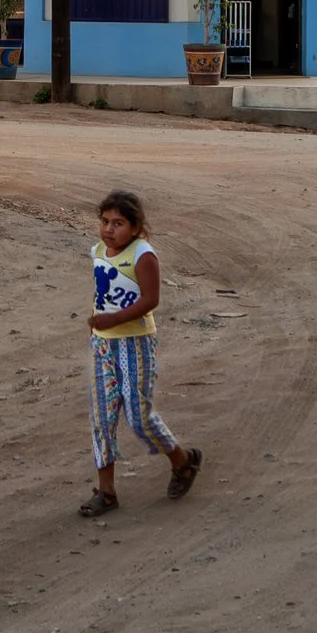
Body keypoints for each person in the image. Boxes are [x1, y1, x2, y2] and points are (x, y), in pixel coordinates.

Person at [79, 190, 200, 517]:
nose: (109, 229)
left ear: (135, 228)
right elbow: (103, 293)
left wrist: (114, 320)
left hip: (135, 345)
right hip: (103, 346)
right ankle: (106, 492)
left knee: (139, 416)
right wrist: (97, 325)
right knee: (101, 419)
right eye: (105, 221)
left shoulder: (143, 255)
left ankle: (182, 461)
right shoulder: (99, 251)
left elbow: (150, 300)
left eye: (118, 223)